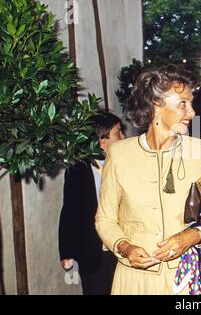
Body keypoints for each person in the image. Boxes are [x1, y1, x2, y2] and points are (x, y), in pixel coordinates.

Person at [95, 64, 201, 295]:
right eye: (182, 104)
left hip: (193, 275)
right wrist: (125, 247)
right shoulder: (119, 154)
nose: (192, 113)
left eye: (191, 102)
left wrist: (193, 236)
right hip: (137, 279)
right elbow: (104, 220)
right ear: (156, 106)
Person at [58, 110, 125, 294]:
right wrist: (66, 252)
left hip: (123, 248)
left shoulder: (124, 164)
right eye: (118, 133)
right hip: (93, 251)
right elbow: (70, 211)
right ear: (102, 141)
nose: (123, 136)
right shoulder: (77, 170)